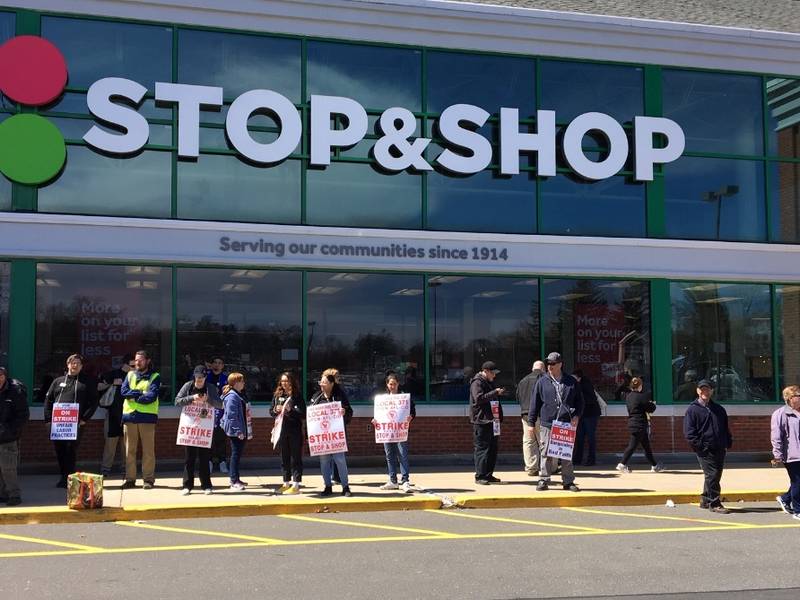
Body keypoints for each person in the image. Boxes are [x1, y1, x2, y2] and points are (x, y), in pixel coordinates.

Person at [43, 354, 99, 488]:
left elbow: (94, 402)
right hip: (57, 423)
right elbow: (48, 400)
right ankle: (63, 476)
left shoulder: (87, 382)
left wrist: (84, 419)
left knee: (70, 450)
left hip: (76, 423)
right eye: (72, 363)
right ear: (68, 364)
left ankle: (69, 477)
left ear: (81, 366)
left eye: (78, 363)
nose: (75, 365)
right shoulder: (58, 381)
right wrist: (48, 420)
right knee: (60, 450)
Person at [530, 352, 583, 492]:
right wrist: (531, 422)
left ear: (560, 364)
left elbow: (580, 402)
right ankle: (544, 479)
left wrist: (577, 416)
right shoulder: (542, 381)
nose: (549, 366)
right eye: (548, 363)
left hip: (566, 422)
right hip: (547, 422)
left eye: (553, 363)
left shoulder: (571, 382)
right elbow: (534, 403)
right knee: (546, 452)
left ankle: (568, 481)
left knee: (565, 454)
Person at [683, 379, 732, 514]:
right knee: (712, 474)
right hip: (704, 449)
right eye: (702, 389)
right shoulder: (692, 410)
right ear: (698, 391)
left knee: (714, 475)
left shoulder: (719, 409)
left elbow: (725, 428)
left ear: (712, 391)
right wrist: (701, 446)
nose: (705, 392)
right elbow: (689, 433)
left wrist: (727, 442)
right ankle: (714, 503)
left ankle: (705, 500)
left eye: (707, 389)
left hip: (720, 447)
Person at [175, 366, 221, 495]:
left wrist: (208, 399)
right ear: (194, 376)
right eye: (198, 377)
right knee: (189, 458)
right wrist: (192, 397)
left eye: (202, 377)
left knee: (204, 458)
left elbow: (220, 404)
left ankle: (206, 485)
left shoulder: (210, 388)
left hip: (204, 428)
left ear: (205, 377)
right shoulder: (188, 386)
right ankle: (187, 485)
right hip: (190, 428)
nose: (199, 380)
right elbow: (177, 401)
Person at [121, 349, 161, 490]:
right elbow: (123, 392)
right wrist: (139, 393)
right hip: (129, 417)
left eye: (141, 360)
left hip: (147, 418)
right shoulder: (130, 375)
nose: (137, 362)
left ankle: (148, 479)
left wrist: (134, 396)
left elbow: (151, 397)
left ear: (147, 361)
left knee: (148, 451)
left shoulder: (155, 376)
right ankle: (130, 479)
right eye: (136, 359)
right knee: (129, 451)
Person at [310, 368, 353, 497]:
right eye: (320, 382)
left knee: (340, 460)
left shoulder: (340, 396)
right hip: (322, 438)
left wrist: (344, 412)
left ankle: (345, 487)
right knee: (324, 461)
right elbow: (311, 417)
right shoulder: (316, 398)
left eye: (324, 382)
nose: (321, 385)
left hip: (336, 437)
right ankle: (327, 486)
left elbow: (349, 412)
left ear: (331, 384)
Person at [375, 373, 416, 492]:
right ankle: (393, 480)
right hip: (387, 431)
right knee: (389, 455)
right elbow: (379, 415)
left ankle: (405, 481)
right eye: (390, 384)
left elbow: (412, 411)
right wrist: (375, 421)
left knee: (402, 454)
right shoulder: (382, 400)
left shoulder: (404, 398)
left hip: (400, 431)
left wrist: (411, 417)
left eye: (394, 383)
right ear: (387, 385)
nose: (392, 386)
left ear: (398, 384)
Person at [616, 376, 663, 473]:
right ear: (640, 386)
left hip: (633, 423)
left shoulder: (628, 396)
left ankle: (654, 465)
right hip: (640, 424)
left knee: (646, 446)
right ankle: (622, 464)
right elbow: (651, 408)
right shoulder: (642, 397)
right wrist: (652, 403)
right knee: (632, 446)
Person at [97, 353, 134, 476]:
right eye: (132, 365)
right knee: (110, 444)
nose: (134, 367)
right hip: (113, 414)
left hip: (128, 414)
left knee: (126, 445)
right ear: (125, 364)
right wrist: (112, 383)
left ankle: (125, 467)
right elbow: (98, 386)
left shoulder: (135, 376)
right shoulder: (113, 374)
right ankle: (106, 468)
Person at [270, 372, 306, 495]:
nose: (284, 383)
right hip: (281, 430)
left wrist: (291, 410)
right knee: (284, 458)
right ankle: (286, 483)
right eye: (283, 381)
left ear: (292, 382)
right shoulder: (278, 395)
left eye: (287, 381)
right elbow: (271, 411)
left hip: (294, 430)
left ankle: (296, 485)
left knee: (295, 457)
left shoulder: (297, 396)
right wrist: (276, 410)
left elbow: (303, 414)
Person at [470, 361, 505, 485]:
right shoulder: (477, 382)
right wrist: (495, 392)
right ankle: (480, 476)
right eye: (493, 373)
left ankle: (488, 474)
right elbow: (479, 398)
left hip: (492, 420)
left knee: (492, 449)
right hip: (482, 421)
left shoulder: (488, 383)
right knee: (482, 449)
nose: (494, 376)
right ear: (486, 371)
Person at [0, 367, 29, 505]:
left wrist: (10, 431)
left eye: (0, 375)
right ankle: (2, 494)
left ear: (5, 376)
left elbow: (23, 415)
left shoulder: (15, 391)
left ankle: (14, 495)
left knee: (8, 468)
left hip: (8, 437)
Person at [771, 385, 800, 520]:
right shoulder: (780, 414)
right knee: (797, 481)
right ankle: (797, 510)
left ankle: (784, 498)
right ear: (789, 398)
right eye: (798, 396)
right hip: (792, 455)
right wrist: (777, 455)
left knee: (798, 482)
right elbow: (776, 436)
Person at [221, 372, 249, 490]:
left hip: (240, 428)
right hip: (235, 430)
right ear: (236, 383)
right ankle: (234, 480)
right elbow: (232, 416)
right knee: (235, 455)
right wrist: (238, 431)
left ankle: (236, 478)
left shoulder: (238, 394)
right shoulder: (232, 396)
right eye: (241, 381)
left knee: (237, 455)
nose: (243, 383)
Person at [516, 360, 544, 476]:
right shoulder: (545, 379)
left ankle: (532, 468)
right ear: (543, 369)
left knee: (529, 441)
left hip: (526, 415)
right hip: (541, 415)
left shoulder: (523, 381)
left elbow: (518, 398)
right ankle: (550, 467)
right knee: (545, 441)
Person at [572, 369, 601, 467]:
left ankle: (590, 459)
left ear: (579, 378)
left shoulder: (585, 386)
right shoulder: (579, 385)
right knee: (580, 437)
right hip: (583, 415)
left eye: (574, 378)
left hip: (590, 414)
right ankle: (578, 458)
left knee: (590, 437)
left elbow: (587, 400)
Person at [206, 356, 229, 474]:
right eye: (215, 362)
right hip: (207, 411)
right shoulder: (206, 377)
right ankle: (208, 461)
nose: (217, 365)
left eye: (219, 363)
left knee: (220, 437)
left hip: (221, 411)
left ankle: (222, 462)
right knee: (208, 437)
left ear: (222, 365)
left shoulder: (226, 378)